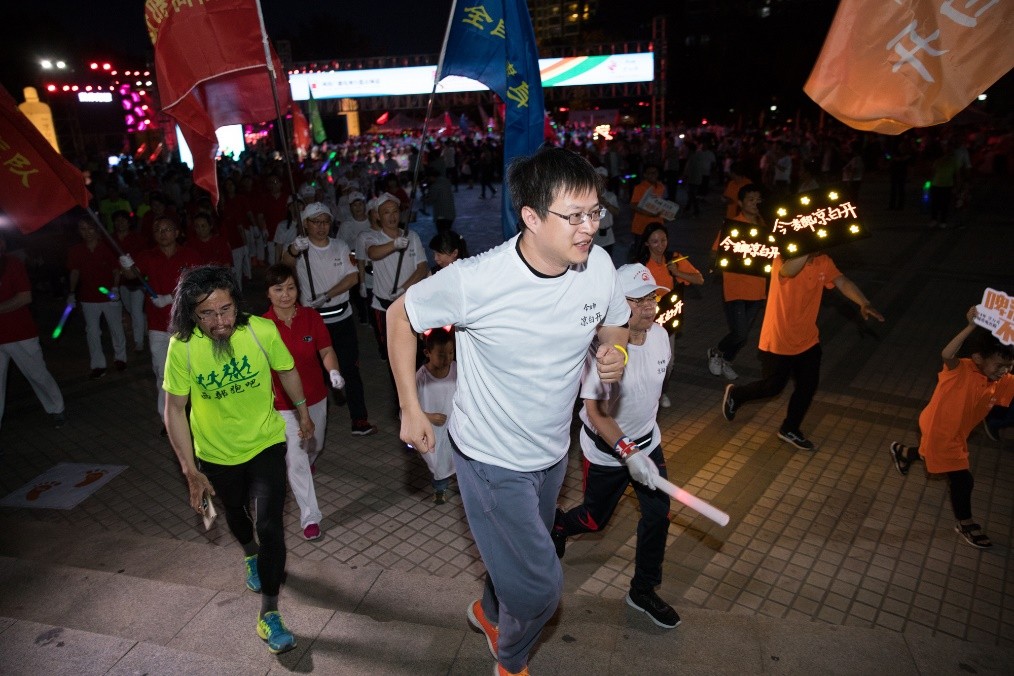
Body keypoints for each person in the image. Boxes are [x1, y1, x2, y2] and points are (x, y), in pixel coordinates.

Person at [387, 147, 630, 675]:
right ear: (531, 217)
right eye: (574, 216)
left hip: (552, 454)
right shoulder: (478, 280)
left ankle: (488, 612)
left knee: (514, 558)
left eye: (595, 211)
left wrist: (616, 351)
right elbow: (399, 317)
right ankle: (511, 660)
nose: (590, 227)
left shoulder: (598, 265)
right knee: (541, 589)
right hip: (490, 459)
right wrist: (410, 406)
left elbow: (615, 321)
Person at [163, 265, 310, 654]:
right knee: (234, 510)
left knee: (270, 525)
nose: (219, 322)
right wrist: (189, 470)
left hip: (265, 442)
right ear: (192, 314)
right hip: (216, 453)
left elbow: (287, 370)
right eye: (207, 314)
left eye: (226, 310)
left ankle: (269, 613)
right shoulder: (183, 347)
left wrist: (302, 411)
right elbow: (174, 410)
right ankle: (249, 553)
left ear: (237, 304)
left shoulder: (260, 331)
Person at [552, 263, 679, 629]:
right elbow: (596, 412)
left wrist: (642, 449)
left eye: (652, 297)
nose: (649, 306)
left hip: (648, 445)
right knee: (594, 520)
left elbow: (651, 393)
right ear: (618, 306)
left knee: (658, 515)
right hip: (607, 452)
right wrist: (628, 452)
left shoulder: (661, 336)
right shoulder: (604, 352)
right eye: (638, 300)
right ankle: (559, 525)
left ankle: (643, 590)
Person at [721, 250, 884, 451]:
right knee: (773, 387)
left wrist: (864, 302)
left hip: (808, 339)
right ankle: (736, 395)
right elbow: (788, 271)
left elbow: (842, 281)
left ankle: (790, 428)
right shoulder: (784, 259)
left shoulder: (823, 260)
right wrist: (806, 250)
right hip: (779, 339)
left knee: (808, 386)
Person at [890, 308, 1014, 549]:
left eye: (1009, 366)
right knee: (962, 480)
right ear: (978, 358)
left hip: (956, 433)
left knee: (932, 457)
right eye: (999, 365)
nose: (1004, 371)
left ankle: (903, 452)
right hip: (939, 430)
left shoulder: (1001, 380)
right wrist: (971, 326)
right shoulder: (961, 370)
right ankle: (965, 523)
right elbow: (947, 353)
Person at [281, 202, 377, 436]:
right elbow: (284, 266)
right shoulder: (300, 248)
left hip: (341, 317)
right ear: (306, 224)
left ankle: (359, 419)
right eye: (316, 222)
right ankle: (312, 421)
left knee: (350, 368)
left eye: (325, 221)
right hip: (312, 321)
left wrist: (327, 295)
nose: (321, 226)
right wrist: (293, 250)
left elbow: (352, 277)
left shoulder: (340, 246)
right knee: (314, 372)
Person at [264, 264, 344, 540]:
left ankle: (310, 460)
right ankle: (310, 516)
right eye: (278, 289)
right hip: (283, 404)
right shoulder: (261, 326)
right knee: (295, 459)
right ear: (268, 293)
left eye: (291, 288)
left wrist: (333, 371)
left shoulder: (311, 317)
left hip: (315, 397)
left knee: (315, 445)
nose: (285, 295)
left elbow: (326, 349)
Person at [119, 216, 201, 422]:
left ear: (177, 232)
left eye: (167, 229)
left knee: (191, 370)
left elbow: (199, 285)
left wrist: (170, 298)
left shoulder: (190, 255)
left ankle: (195, 413)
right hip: (157, 325)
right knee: (162, 373)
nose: (162, 234)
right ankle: (168, 419)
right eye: (158, 230)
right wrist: (126, 266)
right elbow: (131, 275)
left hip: (185, 322)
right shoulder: (147, 256)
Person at [0, 232, 66, 431]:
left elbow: (25, 297)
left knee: (37, 374)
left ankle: (56, 407)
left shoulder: (12, 264)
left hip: (20, 334)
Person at [707, 184, 769, 381]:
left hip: (757, 289)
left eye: (758, 199)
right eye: (751, 199)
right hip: (735, 288)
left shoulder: (766, 226)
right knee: (740, 333)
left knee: (742, 333)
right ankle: (716, 352)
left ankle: (726, 359)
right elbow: (715, 253)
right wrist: (719, 262)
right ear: (741, 203)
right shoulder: (733, 226)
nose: (756, 203)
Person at [638, 222, 702, 408]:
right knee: (645, 360)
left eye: (663, 240)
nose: (660, 245)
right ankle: (646, 394)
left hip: (667, 318)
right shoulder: (641, 265)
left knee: (668, 362)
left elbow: (699, 279)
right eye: (655, 241)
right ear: (646, 243)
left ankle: (661, 392)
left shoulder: (674, 259)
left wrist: (677, 272)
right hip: (647, 321)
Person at [364, 192, 428, 364]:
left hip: (410, 302)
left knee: (417, 351)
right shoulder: (372, 237)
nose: (392, 216)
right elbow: (373, 253)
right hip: (384, 307)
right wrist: (394, 244)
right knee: (393, 355)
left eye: (395, 211)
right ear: (378, 216)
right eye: (386, 212)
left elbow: (422, 267)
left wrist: (402, 289)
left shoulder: (412, 236)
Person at [67, 216, 128, 379]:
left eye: (90, 228)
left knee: (116, 328)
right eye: (83, 229)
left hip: (109, 296)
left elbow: (116, 270)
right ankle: (98, 365)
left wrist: (115, 288)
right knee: (92, 332)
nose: (87, 232)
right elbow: (74, 272)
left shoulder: (107, 247)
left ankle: (120, 358)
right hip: (88, 297)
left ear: (97, 229)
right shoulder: (76, 250)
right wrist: (71, 293)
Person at [414, 328, 457, 504]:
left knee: (458, 457)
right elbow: (409, 409)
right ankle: (440, 488)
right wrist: (429, 417)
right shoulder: (421, 377)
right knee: (438, 461)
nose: (447, 358)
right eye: (441, 354)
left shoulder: (456, 370)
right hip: (433, 431)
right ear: (427, 353)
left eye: (451, 353)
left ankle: (464, 485)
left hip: (454, 426)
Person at [111, 210, 147, 353]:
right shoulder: (111, 239)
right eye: (117, 220)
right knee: (131, 309)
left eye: (123, 220)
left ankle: (139, 341)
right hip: (121, 282)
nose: (120, 223)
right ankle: (144, 325)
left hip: (137, 281)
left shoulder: (137, 239)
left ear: (128, 222)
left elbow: (142, 259)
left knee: (136, 310)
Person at [629, 165, 666, 259]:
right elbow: (633, 205)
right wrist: (649, 214)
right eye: (650, 173)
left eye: (655, 172)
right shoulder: (639, 188)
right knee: (639, 252)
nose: (653, 175)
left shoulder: (661, 187)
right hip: (642, 226)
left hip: (657, 224)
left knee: (656, 250)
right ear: (645, 175)